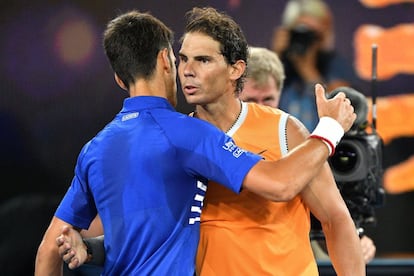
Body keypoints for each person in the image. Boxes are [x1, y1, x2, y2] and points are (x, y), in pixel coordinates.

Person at [52, 8, 362, 276]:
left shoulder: (284, 129)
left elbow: (335, 219)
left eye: (203, 60)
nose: (187, 70)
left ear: (235, 69)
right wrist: (89, 247)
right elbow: (140, 240)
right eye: (183, 58)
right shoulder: (172, 141)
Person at [240, 46, 376, 264]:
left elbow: (330, 218)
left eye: (268, 99)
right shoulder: (216, 143)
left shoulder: (302, 145)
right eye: (251, 102)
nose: (261, 109)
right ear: (234, 95)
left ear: (280, 95)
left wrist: (355, 241)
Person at [271, 0, 359, 131]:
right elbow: (255, 98)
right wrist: (275, 56)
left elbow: (343, 105)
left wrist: (308, 70)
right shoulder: (278, 65)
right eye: (299, 34)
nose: (305, 41)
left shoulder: (334, 64)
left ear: (323, 35)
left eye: (311, 35)